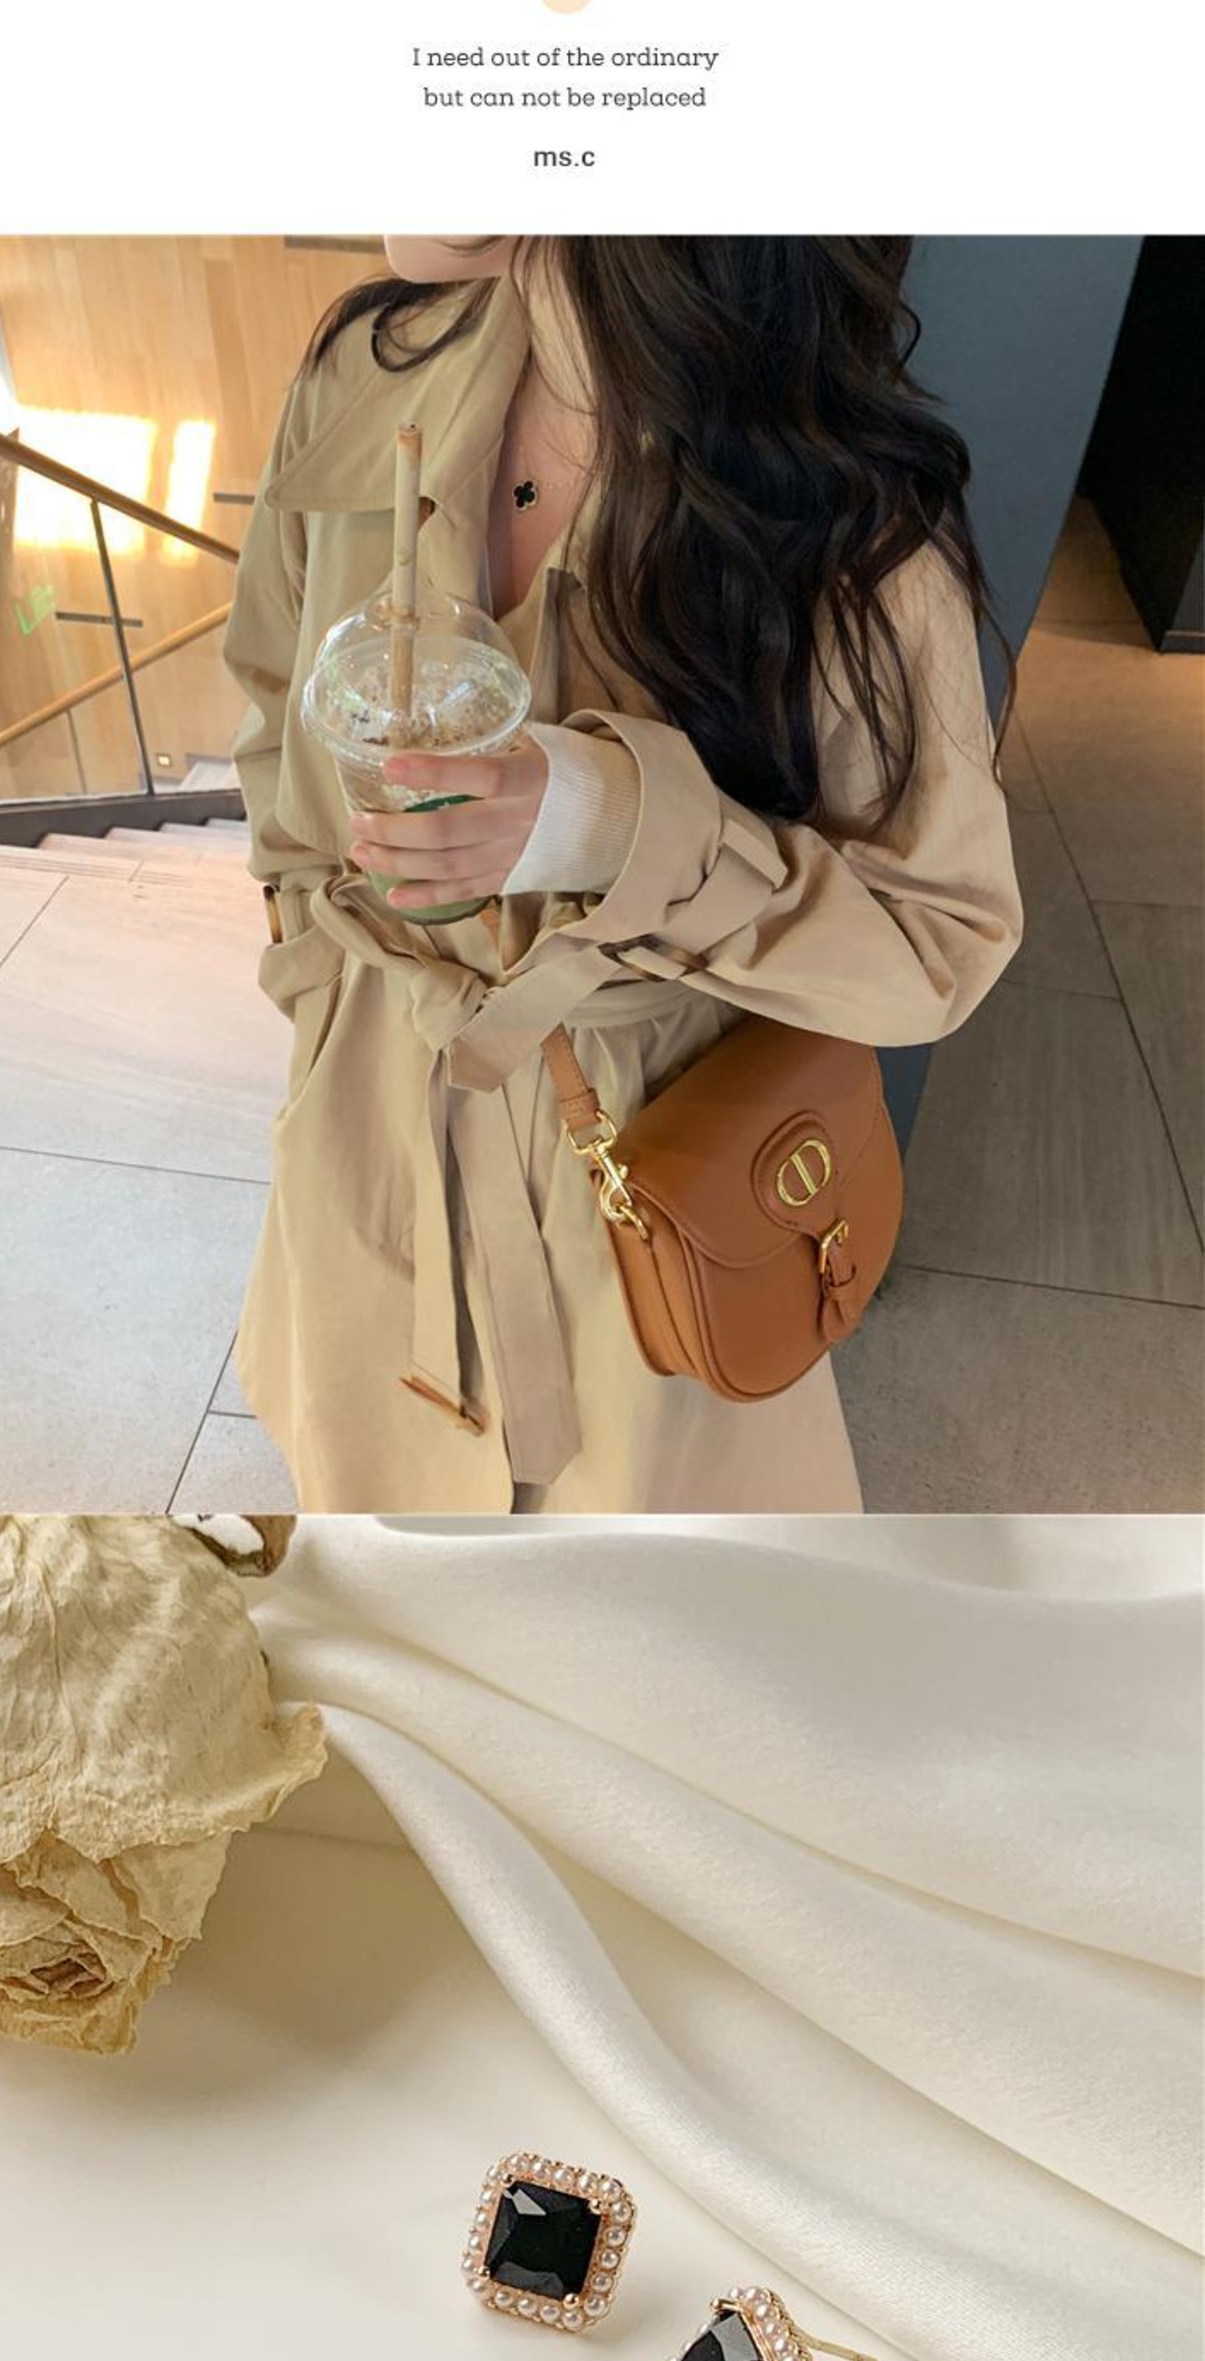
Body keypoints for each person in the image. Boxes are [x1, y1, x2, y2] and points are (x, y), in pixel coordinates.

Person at [223, 239, 1022, 1512]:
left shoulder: (835, 516)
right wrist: (311, 978)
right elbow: (275, 701)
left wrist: (612, 825)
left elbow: (938, 941)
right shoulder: (365, 371)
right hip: (365, 1132)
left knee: (625, 1600)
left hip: (647, 1204)